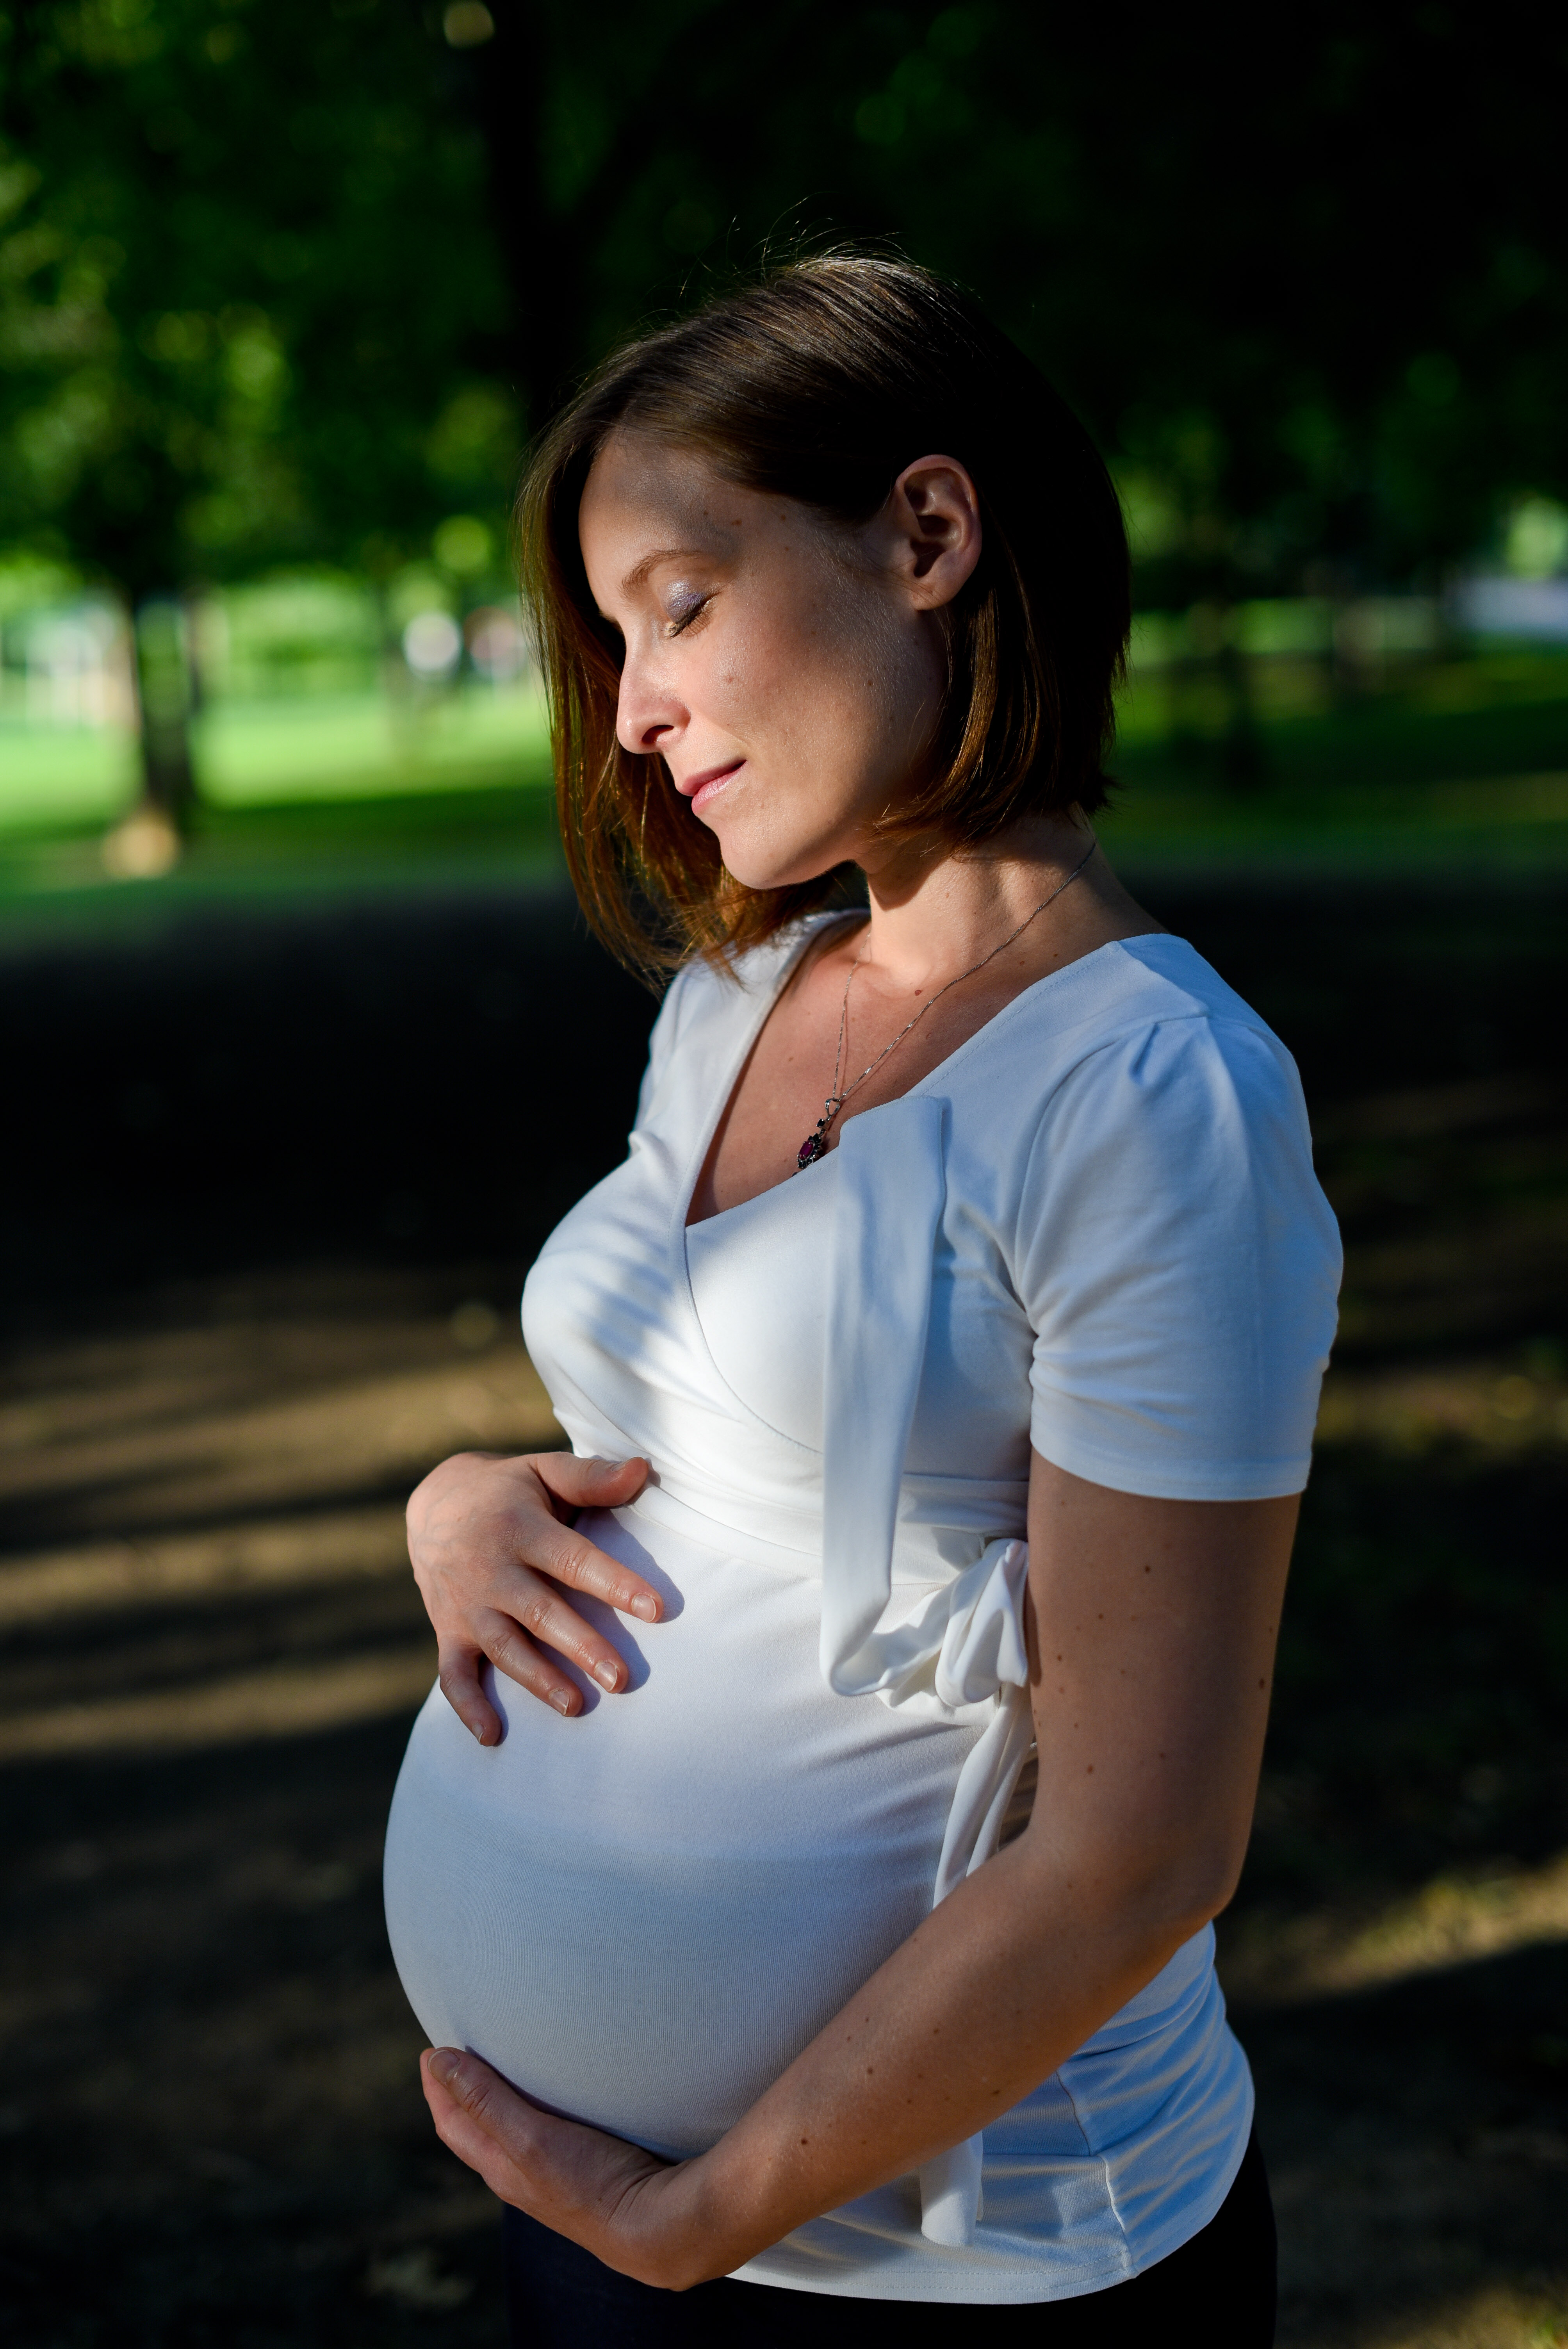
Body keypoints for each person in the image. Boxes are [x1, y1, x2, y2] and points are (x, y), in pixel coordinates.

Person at [382, 255, 1340, 2346]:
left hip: (963, 2256)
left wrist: (717, 2204)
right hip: (622, 2215)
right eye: (612, 635)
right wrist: (466, 1507)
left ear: (926, 533)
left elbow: (1147, 1842)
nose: (628, 703)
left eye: (684, 600)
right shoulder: (735, 1002)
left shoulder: (1152, 1095)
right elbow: (693, 1446)